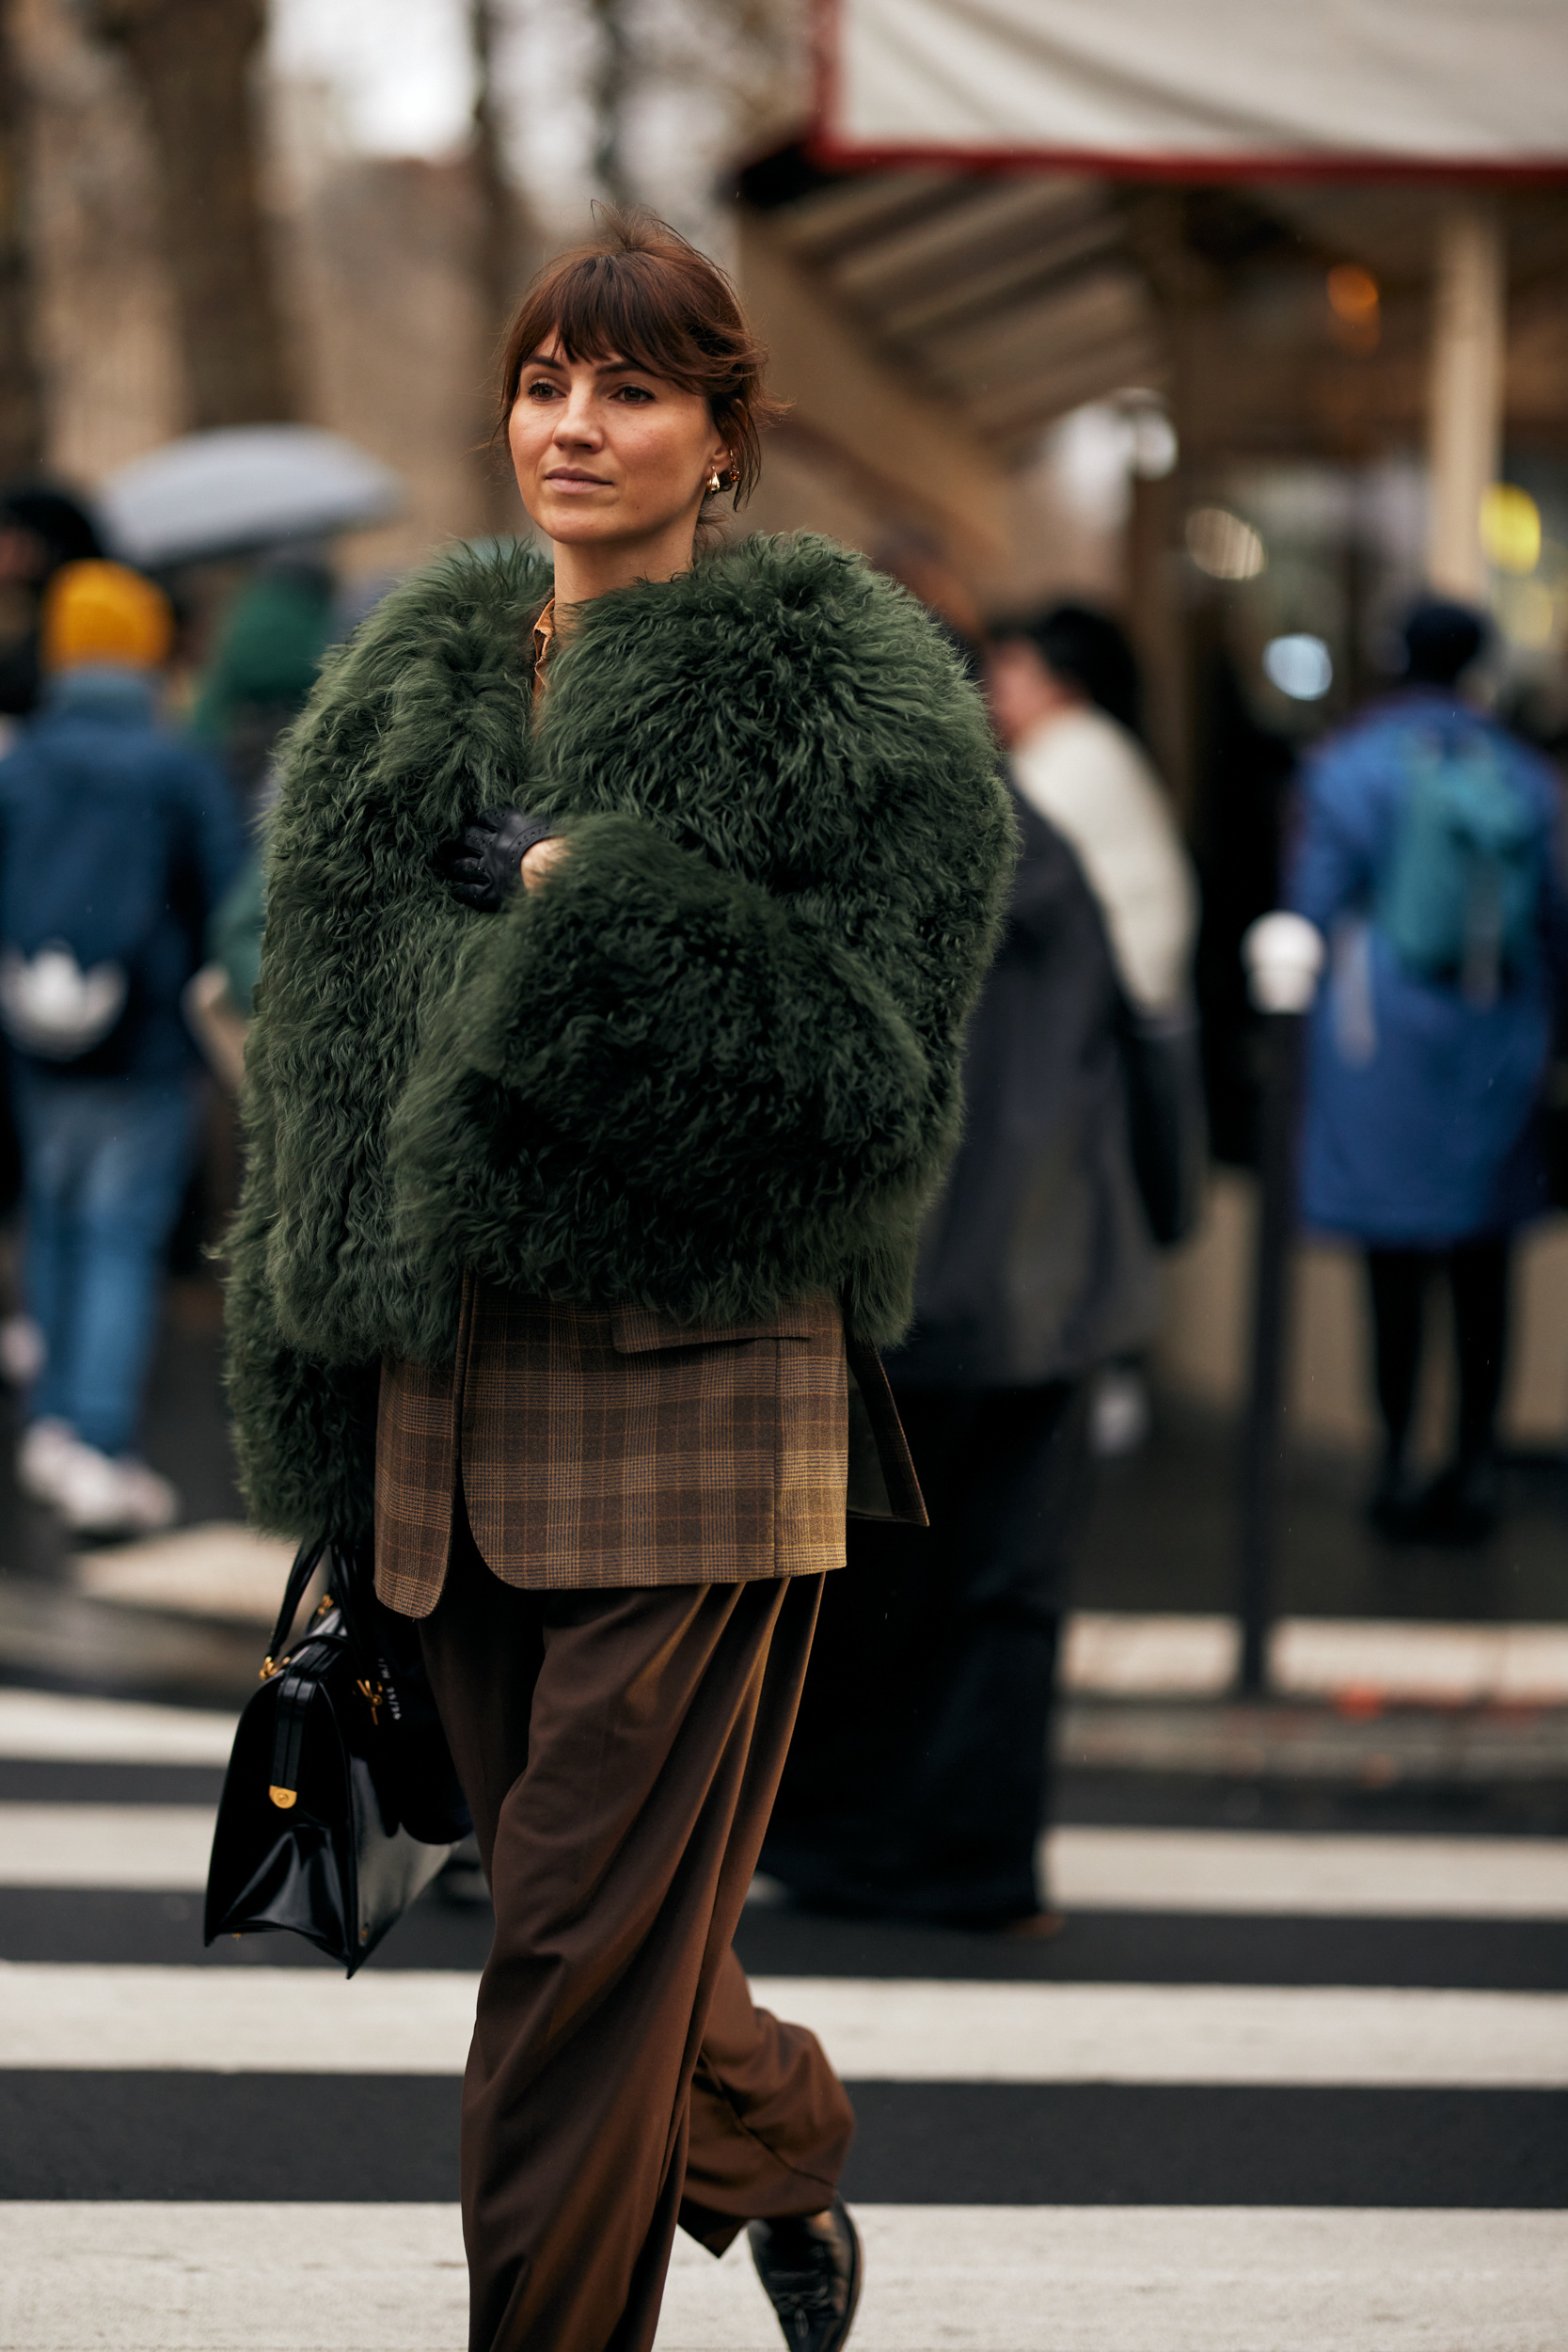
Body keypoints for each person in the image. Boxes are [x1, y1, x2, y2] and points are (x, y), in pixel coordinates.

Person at [225, 214, 1012, 2352]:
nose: (576, 426)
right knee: (607, 1927)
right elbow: (316, 1059)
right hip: (436, 1408)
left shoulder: (845, 697)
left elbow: (870, 1073)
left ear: (724, 437)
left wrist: (604, 899)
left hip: (700, 1389)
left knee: (571, 1947)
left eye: (634, 388)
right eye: (549, 382)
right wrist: (313, 1390)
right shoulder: (413, 675)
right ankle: (765, 2129)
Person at [765, 774, 1158, 1931]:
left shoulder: (837, 841)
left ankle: (843, 1835)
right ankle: (977, 1860)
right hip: (1050, 1284)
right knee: (1005, 1586)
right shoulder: (1045, 844)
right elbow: (1128, 1047)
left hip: (890, 1276)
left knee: (849, 1583)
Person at [1288, 596, 1566, 1545]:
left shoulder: (1350, 763)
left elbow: (1311, 905)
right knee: (1482, 1260)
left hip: (1384, 1044)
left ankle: (1395, 1459)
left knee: (1393, 1260)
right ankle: (1475, 1464)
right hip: (1498, 1035)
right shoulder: (1524, 774)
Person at [0, 560, 242, 1534]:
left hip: (35, 1041)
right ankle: (101, 1441)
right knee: (120, 1238)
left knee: (55, 1222)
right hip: (143, 1046)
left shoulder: (23, 760)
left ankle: (55, 1424)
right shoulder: (174, 762)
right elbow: (229, 894)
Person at [988, 602, 1200, 1453]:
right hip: (1122, 1014)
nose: (995, 688)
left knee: (1066, 1202)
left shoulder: (1064, 761)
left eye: (1012, 671)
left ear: (1057, 685)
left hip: (1091, 1022)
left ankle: (1097, 1378)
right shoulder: (1099, 750)